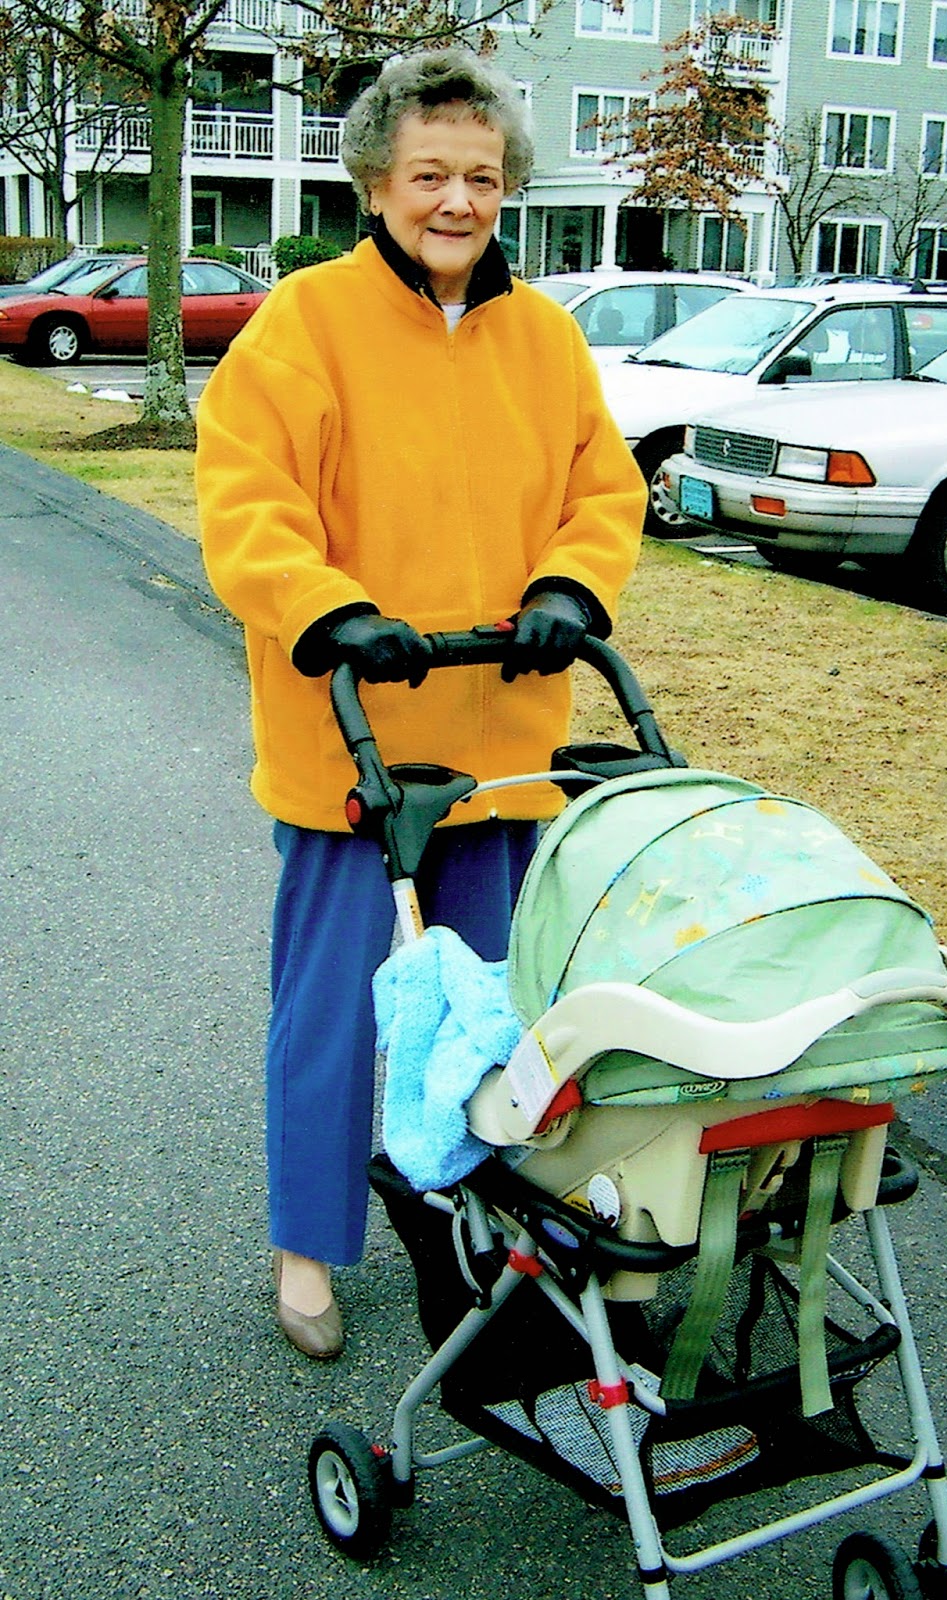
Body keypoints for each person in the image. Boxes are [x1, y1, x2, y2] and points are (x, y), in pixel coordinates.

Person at [195, 48, 645, 1359]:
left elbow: (601, 490)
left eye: (483, 178)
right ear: (377, 183)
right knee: (331, 1014)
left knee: (498, 1011)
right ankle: (307, 1246)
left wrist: (568, 587)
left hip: (500, 740)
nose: (458, 200)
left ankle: (487, 1227)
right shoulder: (307, 322)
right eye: (431, 175)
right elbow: (245, 493)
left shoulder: (543, 336)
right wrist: (328, 609)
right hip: (354, 748)